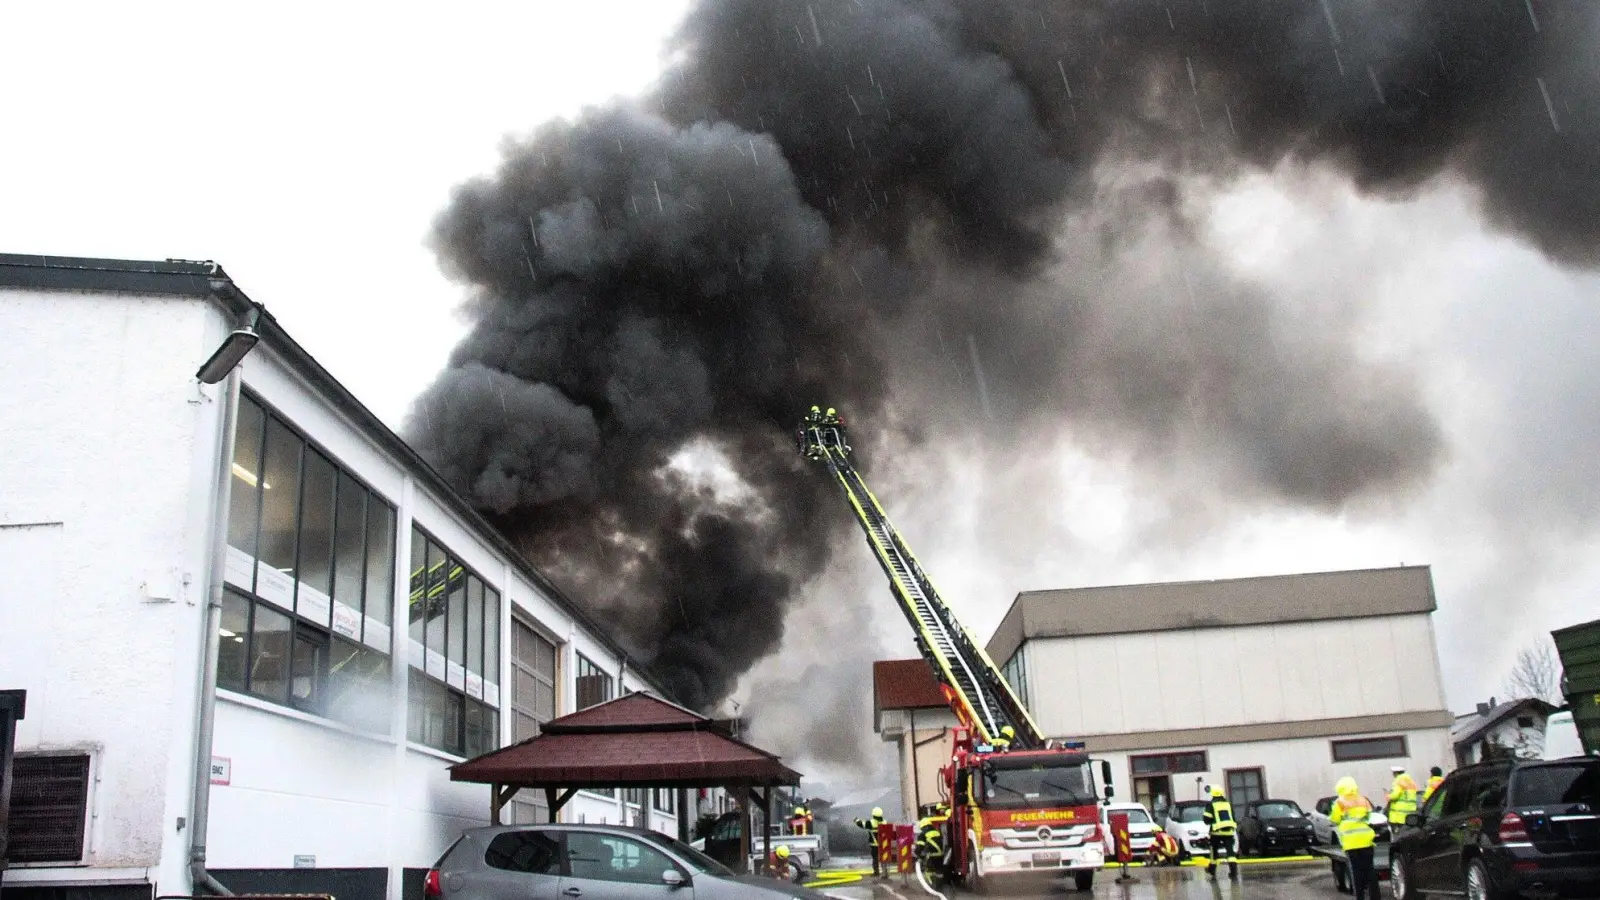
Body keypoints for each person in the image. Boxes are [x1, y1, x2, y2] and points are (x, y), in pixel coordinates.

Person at [1330, 777, 1380, 900]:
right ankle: (1375, 897)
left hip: (1351, 842)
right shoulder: (1363, 800)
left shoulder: (1339, 802)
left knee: (1356, 872)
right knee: (1370, 870)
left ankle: (1360, 897)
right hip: (1366, 840)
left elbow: (1334, 819)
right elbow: (1370, 817)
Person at [1201, 785, 1238, 879]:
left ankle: (1212, 869)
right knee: (1230, 851)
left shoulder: (1211, 804)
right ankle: (1233, 871)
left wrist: (1211, 822)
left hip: (1216, 832)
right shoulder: (1228, 804)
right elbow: (1233, 817)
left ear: (1213, 794)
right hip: (1229, 831)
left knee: (1214, 850)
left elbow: (1206, 819)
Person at [855, 807, 887, 877]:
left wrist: (856, 820)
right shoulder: (884, 822)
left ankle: (876, 872)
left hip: (874, 845)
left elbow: (862, 824)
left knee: (875, 858)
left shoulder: (871, 822)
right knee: (884, 858)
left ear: (873, 815)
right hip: (883, 844)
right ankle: (885, 873)